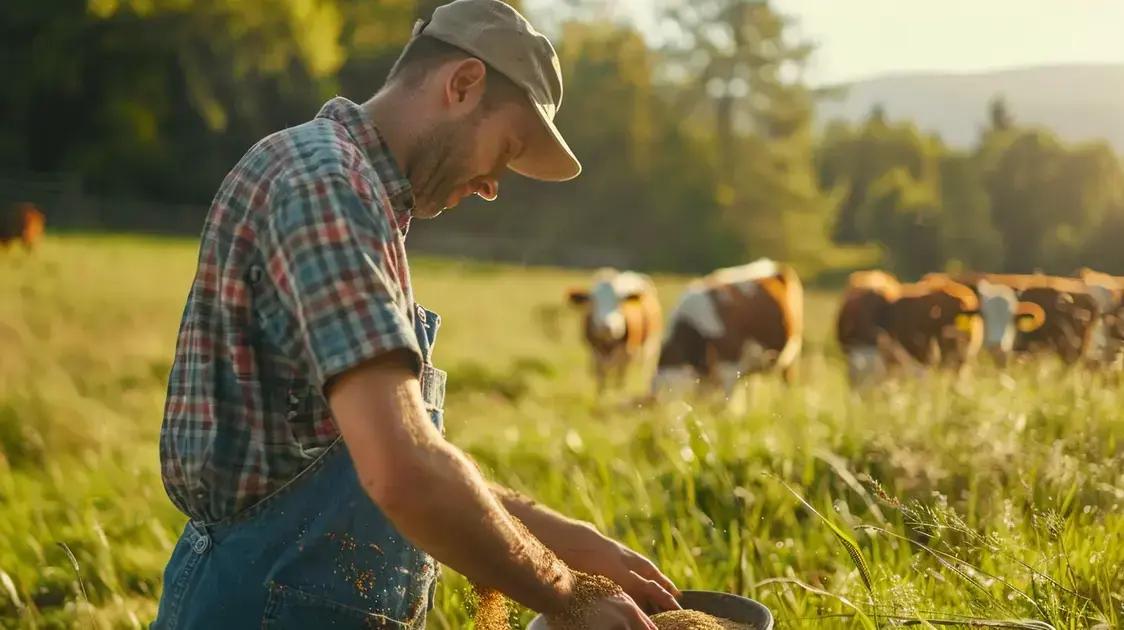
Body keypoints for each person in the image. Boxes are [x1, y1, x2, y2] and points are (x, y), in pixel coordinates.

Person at [152, 0, 681, 627]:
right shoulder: (326, 188)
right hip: (263, 603)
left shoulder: (355, 196)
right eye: (506, 148)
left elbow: (360, 451)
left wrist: (564, 537)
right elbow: (401, 466)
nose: (492, 186)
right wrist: (567, 593)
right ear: (462, 85)